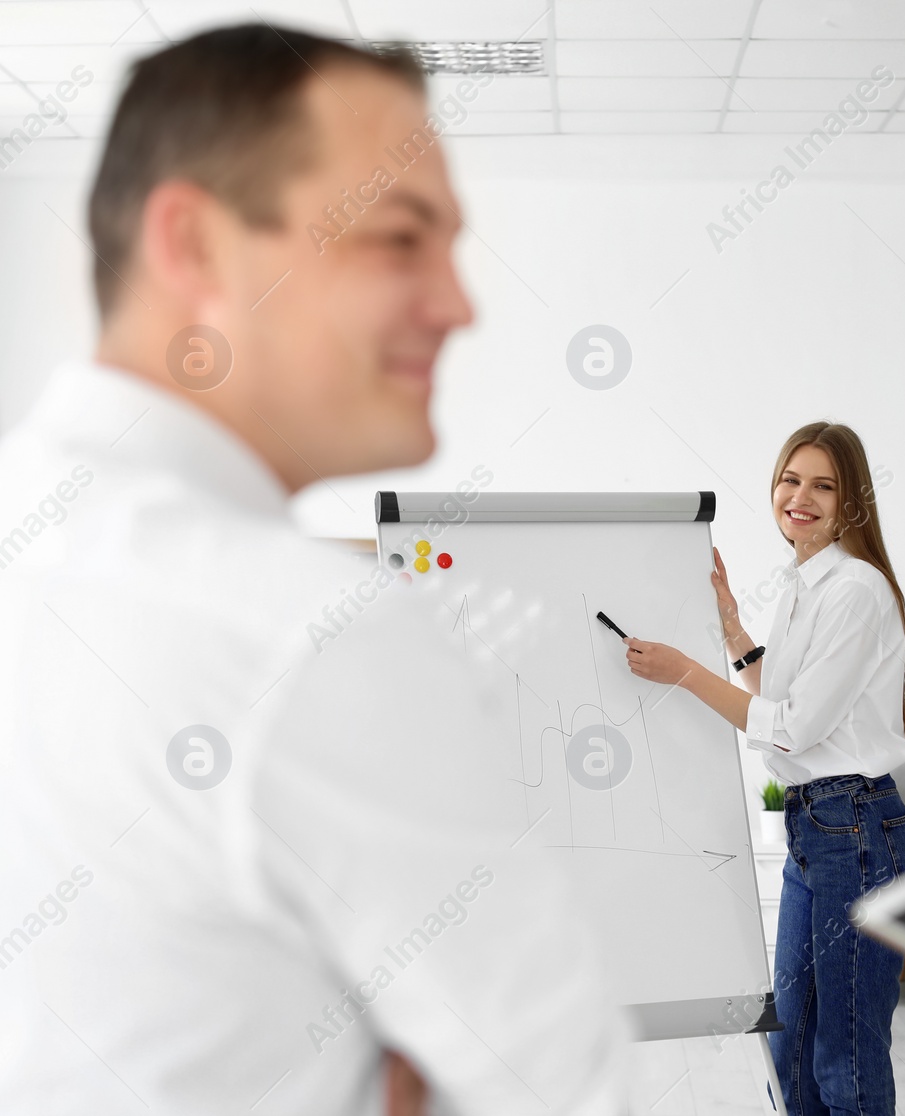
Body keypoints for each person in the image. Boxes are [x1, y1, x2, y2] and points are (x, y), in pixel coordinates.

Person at [0, 25, 625, 1114]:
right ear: (191, 246)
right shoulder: (311, 635)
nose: (460, 303)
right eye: (398, 238)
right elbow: (569, 1096)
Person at [623, 422, 905, 1114]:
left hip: (859, 833)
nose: (801, 496)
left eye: (823, 485)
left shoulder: (854, 590)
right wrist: (733, 629)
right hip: (821, 830)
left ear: (851, 501)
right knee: (788, 1045)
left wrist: (687, 673)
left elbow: (792, 729)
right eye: (791, 479)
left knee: (844, 1054)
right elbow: (783, 702)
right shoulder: (803, 584)